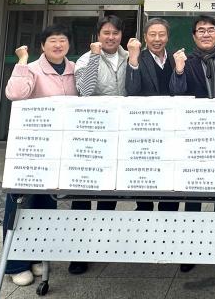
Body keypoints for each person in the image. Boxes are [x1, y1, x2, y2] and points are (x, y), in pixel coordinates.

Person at [2, 24, 77, 286]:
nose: (58, 45)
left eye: (63, 40)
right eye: (52, 40)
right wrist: (22, 60)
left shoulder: (74, 69)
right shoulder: (31, 68)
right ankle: (14, 264)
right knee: (20, 201)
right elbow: (15, 94)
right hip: (31, 149)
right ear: (43, 46)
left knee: (46, 204)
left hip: (59, 151)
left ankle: (36, 255)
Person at [69, 14, 129, 275]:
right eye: (106, 32)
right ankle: (78, 252)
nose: (111, 37)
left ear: (121, 35)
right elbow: (84, 91)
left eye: (115, 33)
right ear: (98, 35)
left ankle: (100, 243)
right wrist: (95, 57)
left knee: (109, 192)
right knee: (83, 192)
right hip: (92, 134)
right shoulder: (86, 59)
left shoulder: (129, 57)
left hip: (119, 133)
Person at [174, 14, 215, 272]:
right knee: (194, 193)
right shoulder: (184, 62)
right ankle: (190, 250)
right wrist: (178, 70)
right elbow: (176, 93)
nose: (206, 34)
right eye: (201, 30)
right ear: (194, 36)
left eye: (211, 30)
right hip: (194, 136)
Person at [125, 17, 187, 211]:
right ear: (145, 37)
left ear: (168, 37)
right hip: (146, 128)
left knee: (170, 170)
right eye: (152, 34)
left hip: (172, 127)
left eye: (161, 34)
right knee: (146, 173)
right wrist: (133, 59)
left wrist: (179, 70)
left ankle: (169, 211)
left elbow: (179, 92)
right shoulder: (138, 57)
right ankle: (144, 210)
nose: (157, 39)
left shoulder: (176, 58)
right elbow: (132, 90)